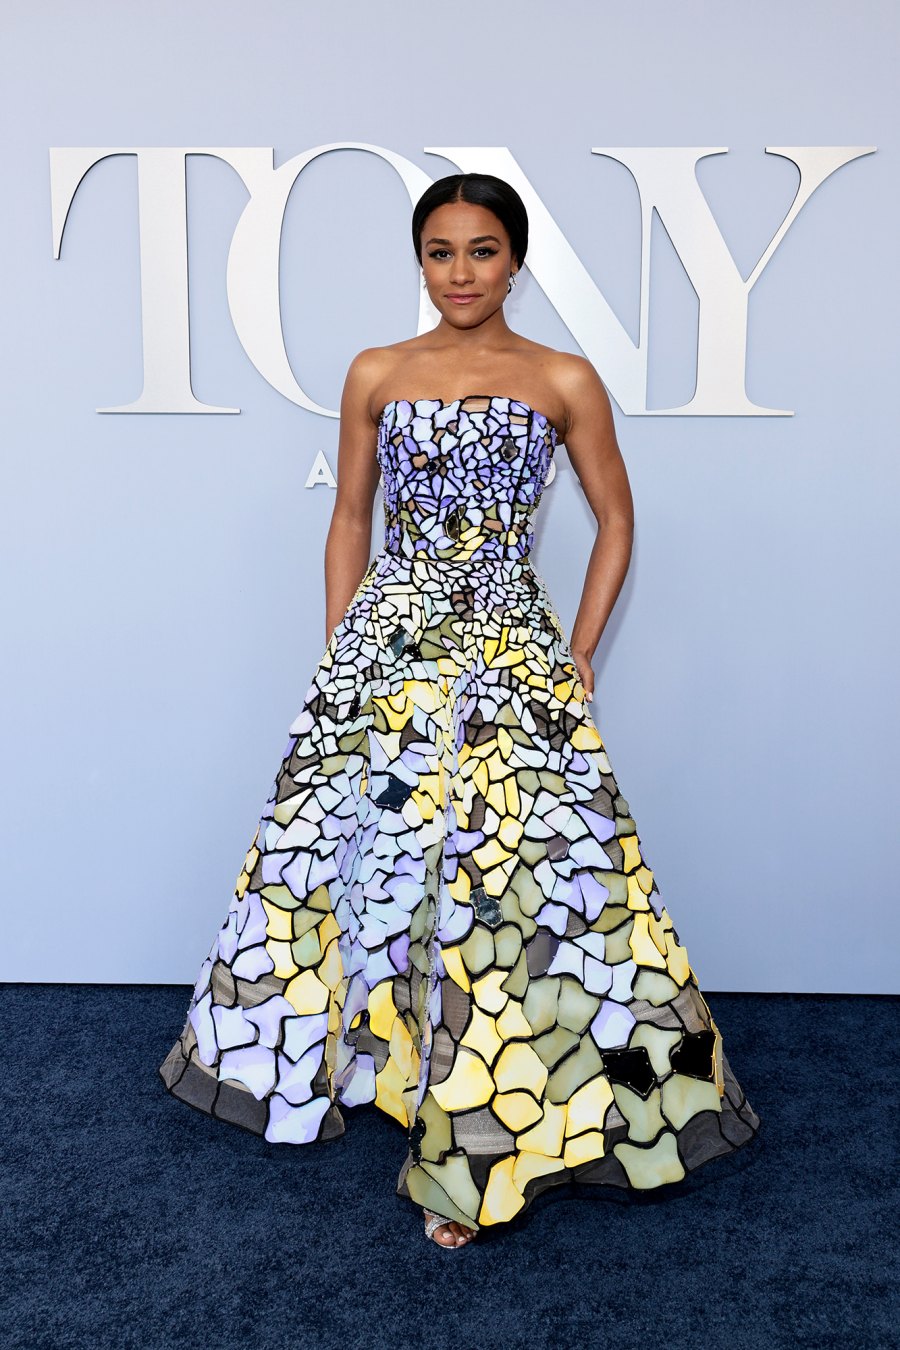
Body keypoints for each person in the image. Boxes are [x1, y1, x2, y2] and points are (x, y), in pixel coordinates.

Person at [159, 172, 761, 1251]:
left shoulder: (562, 377)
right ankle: (379, 1075)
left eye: (482, 250)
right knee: (364, 865)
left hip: (506, 647)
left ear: (515, 261)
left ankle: (491, 1142)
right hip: (387, 651)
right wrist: (342, 645)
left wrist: (577, 655)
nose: (461, 272)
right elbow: (350, 515)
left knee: (515, 885)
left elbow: (619, 520)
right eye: (440, 252)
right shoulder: (378, 372)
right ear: (420, 262)